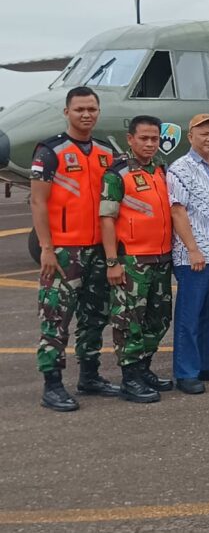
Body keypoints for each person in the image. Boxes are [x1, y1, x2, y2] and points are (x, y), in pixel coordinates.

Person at [31, 86, 119, 411]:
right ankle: (52, 384)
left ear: (98, 112)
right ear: (67, 112)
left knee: (95, 316)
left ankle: (90, 376)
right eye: (80, 109)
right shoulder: (50, 151)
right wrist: (46, 248)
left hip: (98, 250)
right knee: (55, 317)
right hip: (64, 251)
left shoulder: (106, 152)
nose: (86, 114)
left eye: (91, 109)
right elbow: (38, 202)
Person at [99, 115, 174, 404]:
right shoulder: (117, 174)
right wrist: (112, 262)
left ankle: (144, 369)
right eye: (144, 138)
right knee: (129, 321)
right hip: (132, 261)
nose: (150, 143)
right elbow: (107, 218)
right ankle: (130, 378)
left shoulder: (161, 170)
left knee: (159, 319)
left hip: (161, 258)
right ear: (130, 139)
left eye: (154, 138)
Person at [167, 114, 209, 394]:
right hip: (195, 257)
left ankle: (208, 363)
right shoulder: (180, 169)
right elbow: (177, 211)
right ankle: (186, 372)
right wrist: (193, 249)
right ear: (190, 136)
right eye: (204, 133)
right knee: (190, 316)